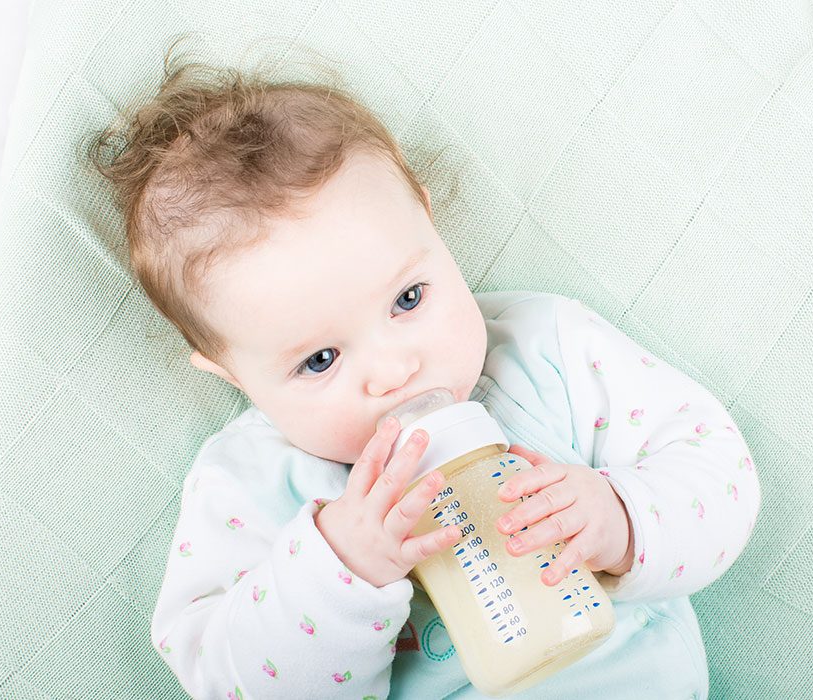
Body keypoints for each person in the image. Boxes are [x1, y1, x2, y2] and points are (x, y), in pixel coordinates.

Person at [88, 50, 761, 700]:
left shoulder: (546, 348)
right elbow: (220, 675)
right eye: (320, 360)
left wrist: (618, 519)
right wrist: (339, 569)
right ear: (231, 373)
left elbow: (718, 470)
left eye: (408, 299)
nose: (395, 370)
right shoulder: (248, 482)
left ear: (428, 218)